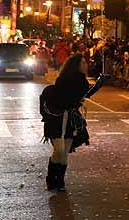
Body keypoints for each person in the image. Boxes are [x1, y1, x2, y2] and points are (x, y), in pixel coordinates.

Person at [40, 54, 97, 191]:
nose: (86, 65)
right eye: (83, 63)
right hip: (56, 119)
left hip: (70, 119)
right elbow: (64, 98)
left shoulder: (83, 82)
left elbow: (76, 98)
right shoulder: (65, 80)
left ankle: (60, 181)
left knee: (65, 152)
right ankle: (51, 179)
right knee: (59, 150)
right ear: (76, 65)